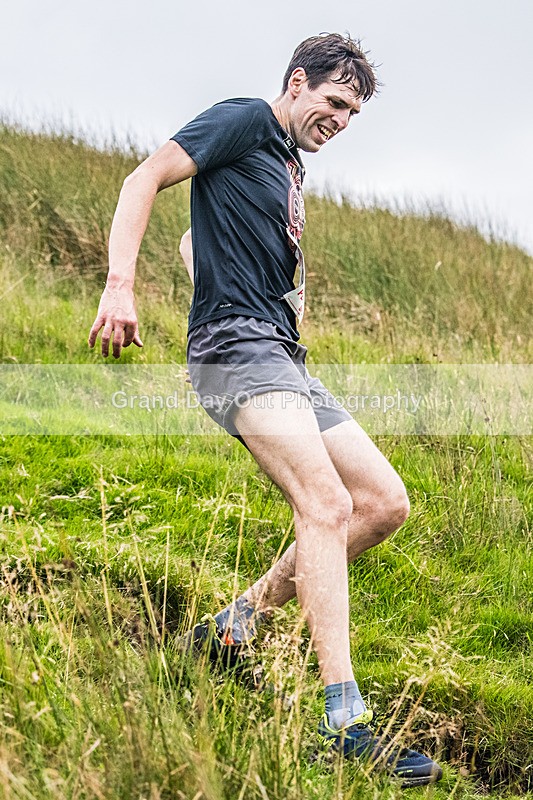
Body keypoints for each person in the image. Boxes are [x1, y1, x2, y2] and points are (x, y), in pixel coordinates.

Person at [88, 33, 442, 786]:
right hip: (238, 352)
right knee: (324, 503)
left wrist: (225, 275)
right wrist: (121, 284)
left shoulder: (284, 166)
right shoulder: (247, 119)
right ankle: (345, 721)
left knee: (381, 503)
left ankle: (230, 630)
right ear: (295, 83)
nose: (341, 119)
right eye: (334, 101)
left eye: (352, 112)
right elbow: (143, 178)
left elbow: (193, 236)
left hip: (278, 355)